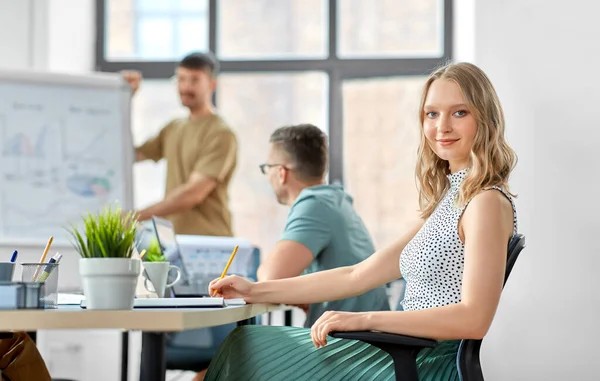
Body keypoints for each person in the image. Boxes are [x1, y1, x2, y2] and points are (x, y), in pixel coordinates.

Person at [199, 62, 519, 381]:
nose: (442, 127)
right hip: (397, 351)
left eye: (459, 112)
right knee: (245, 345)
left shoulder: (485, 203)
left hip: (422, 362)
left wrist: (363, 319)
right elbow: (356, 275)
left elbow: (475, 318)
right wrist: (255, 290)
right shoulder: (452, 199)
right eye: (431, 114)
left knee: (248, 347)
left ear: (485, 118)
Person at [256, 124, 390, 325]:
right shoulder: (336, 201)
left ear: (282, 172)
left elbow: (269, 279)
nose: (268, 176)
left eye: (267, 168)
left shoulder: (314, 205)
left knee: (243, 340)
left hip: (348, 341)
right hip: (365, 334)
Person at [122, 51, 238, 236]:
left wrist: (135, 217)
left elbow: (193, 194)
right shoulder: (173, 128)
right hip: (174, 240)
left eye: (194, 80)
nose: (186, 87)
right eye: (181, 79)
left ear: (212, 84)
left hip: (209, 242)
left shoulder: (220, 133)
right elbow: (129, 156)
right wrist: (125, 97)